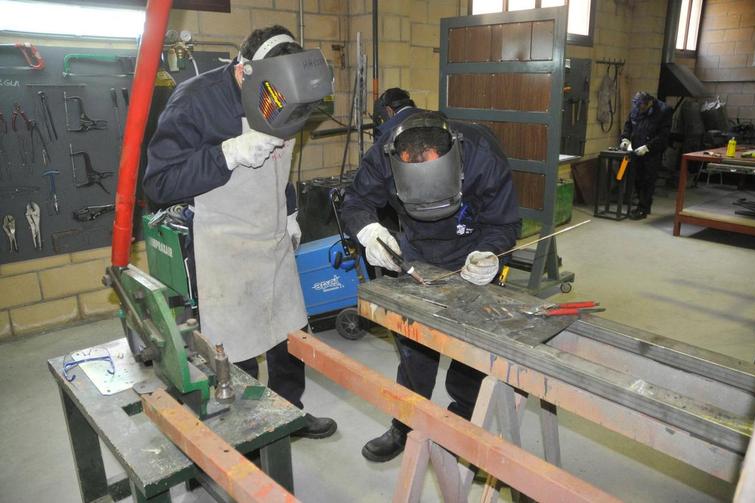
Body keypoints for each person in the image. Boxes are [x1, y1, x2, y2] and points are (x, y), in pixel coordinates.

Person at [143, 25, 337, 438]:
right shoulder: (196, 101)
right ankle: (251, 432)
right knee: (237, 352)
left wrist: (290, 211)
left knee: (288, 337)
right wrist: (226, 154)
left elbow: (279, 167)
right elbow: (158, 184)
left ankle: (289, 414)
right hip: (226, 248)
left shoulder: (289, 90)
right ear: (246, 73)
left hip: (274, 238)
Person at [342, 109, 521, 462]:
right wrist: (369, 231)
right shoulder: (384, 154)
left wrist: (491, 253)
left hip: (472, 246)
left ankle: (462, 417)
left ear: (454, 158)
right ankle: (405, 423)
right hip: (417, 250)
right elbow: (356, 202)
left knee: (471, 344)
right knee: (414, 344)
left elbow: (505, 222)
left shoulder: (483, 155)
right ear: (399, 160)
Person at [619, 91, 673, 220]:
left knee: (648, 180)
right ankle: (642, 205)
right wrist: (625, 139)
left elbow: (663, 136)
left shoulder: (663, 111)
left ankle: (643, 209)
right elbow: (629, 125)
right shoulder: (637, 109)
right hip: (636, 149)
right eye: (637, 105)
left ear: (649, 103)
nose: (639, 109)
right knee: (637, 178)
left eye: (642, 106)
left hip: (652, 152)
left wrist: (648, 147)